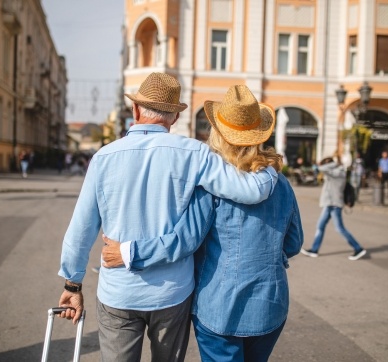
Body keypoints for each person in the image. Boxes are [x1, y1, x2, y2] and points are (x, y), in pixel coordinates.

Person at [57, 73, 278, 362]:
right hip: (172, 294)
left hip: (119, 292)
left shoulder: (103, 157)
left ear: (135, 111)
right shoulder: (195, 154)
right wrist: (272, 168)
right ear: (174, 117)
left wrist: (72, 285)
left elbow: (80, 231)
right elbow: (249, 191)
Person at [100, 85, 304, 361]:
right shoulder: (280, 183)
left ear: (218, 133)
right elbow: (293, 243)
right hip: (271, 305)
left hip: (219, 308)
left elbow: (184, 241)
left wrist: (129, 252)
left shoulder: (212, 185)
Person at [301, 154, 367, 261]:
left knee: (339, 228)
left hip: (334, 205)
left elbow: (321, 168)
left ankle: (358, 248)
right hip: (329, 204)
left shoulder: (338, 173)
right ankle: (314, 250)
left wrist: (331, 163)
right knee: (320, 226)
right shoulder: (334, 172)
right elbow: (321, 169)